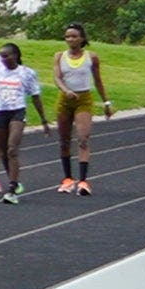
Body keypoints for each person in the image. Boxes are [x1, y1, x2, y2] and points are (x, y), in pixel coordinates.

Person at [53, 24, 114, 195]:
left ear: (82, 38)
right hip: (65, 100)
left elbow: (98, 81)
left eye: (74, 36)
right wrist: (66, 90)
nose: (70, 40)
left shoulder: (91, 57)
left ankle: (83, 181)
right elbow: (57, 78)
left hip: (84, 100)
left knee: (83, 138)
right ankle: (67, 179)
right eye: (67, 37)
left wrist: (106, 102)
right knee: (64, 141)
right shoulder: (59, 56)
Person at [0, 43, 48, 203]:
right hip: (1, 112)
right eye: (1, 56)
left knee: (12, 149)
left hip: (17, 112)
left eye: (6, 55)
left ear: (15, 55)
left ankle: (11, 189)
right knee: (2, 151)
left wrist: (43, 119)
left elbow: (35, 96)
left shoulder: (26, 73)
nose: (3, 59)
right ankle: (13, 180)